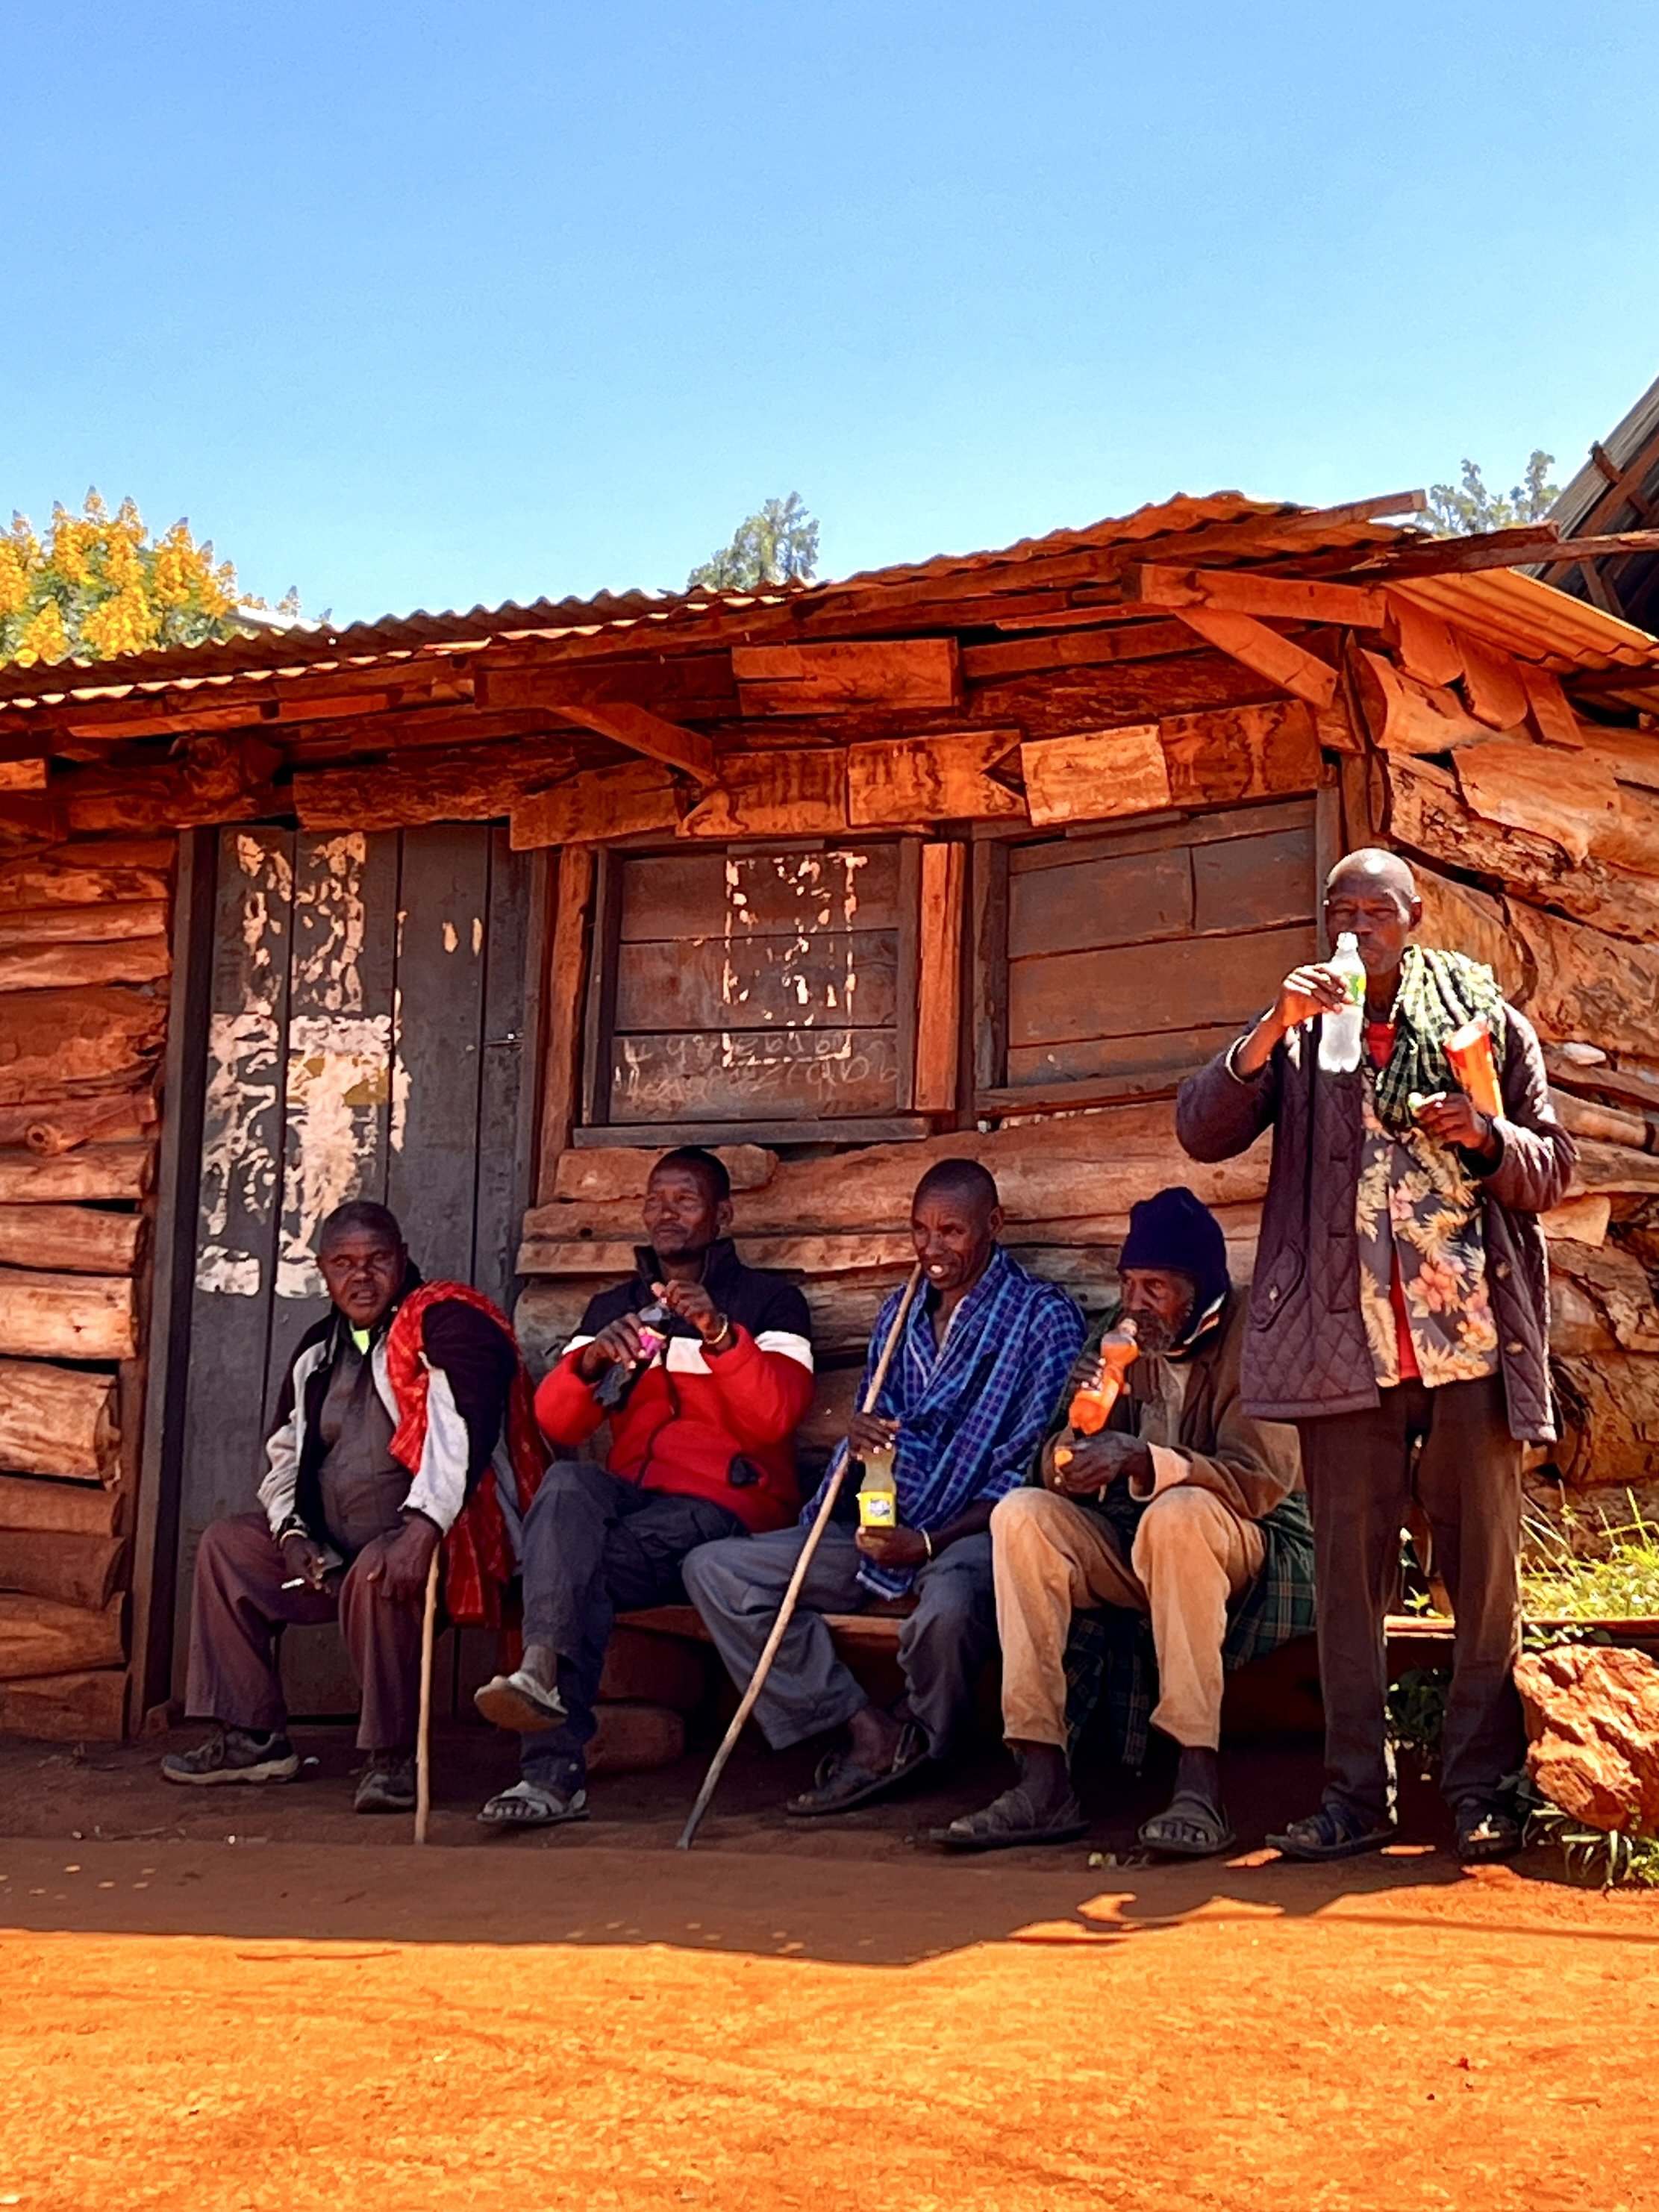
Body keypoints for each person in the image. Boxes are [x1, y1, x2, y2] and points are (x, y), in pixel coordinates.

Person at [1178, 848, 1574, 1863]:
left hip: (1469, 1352)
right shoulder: (1308, 1037)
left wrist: (1484, 1139)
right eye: (1339, 912)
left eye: (1376, 911)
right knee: (1350, 1585)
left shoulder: (1483, 1022)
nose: (1356, 928)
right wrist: (1269, 1028)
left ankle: (1479, 1790)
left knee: (1480, 1576)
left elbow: (1549, 1169)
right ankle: (1354, 1796)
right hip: (1339, 1349)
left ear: (1414, 916)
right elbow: (1201, 1130)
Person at [684, 1159, 1086, 1814]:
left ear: (994, 1226)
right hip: (884, 1520)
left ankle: (927, 1742)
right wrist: (864, 1438)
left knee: (948, 1613)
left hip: (970, 1530)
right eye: (919, 1230)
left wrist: (925, 1543)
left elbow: (1023, 1470)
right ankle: (868, 1730)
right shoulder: (900, 1311)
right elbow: (885, 1431)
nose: (932, 1248)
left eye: (951, 1231)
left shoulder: (1043, 1319)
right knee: (717, 1571)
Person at [941, 1187, 1309, 1856]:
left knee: (1177, 1513)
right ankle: (1041, 1776)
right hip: (1132, 1544)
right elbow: (1046, 1463)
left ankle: (1196, 1778)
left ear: (1197, 1289)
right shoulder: (1119, 1336)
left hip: (1244, 1540)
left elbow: (1257, 1481)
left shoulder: (1257, 1336)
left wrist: (1142, 1458)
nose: (1136, 1303)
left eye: (1156, 1288)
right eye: (1129, 1283)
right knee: (1022, 1516)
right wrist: (1072, 1449)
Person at [473, 1146, 815, 1831]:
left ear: (722, 1214)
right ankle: (540, 1671)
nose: (666, 1213)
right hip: (634, 1506)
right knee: (569, 1484)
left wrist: (719, 1334)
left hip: (725, 1515)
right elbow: (557, 1423)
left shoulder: (770, 1302)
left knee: (573, 1571)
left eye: (685, 1200)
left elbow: (775, 1415)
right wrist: (595, 1355)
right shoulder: (615, 1307)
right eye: (656, 1199)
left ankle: (549, 1774)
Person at [163, 1201, 544, 1812]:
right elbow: (286, 1453)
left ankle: (392, 1759)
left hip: (447, 1545)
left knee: (378, 1567)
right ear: (322, 1271)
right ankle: (253, 1737)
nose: (360, 1277)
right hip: (332, 1551)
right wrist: (290, 1534)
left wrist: (420, 1531)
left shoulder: (447, 1323)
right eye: (343, 1263)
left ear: (404, 1259)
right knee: (228, 1546)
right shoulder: (319, 1349)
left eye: (377, 1260)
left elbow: (460, 1436)